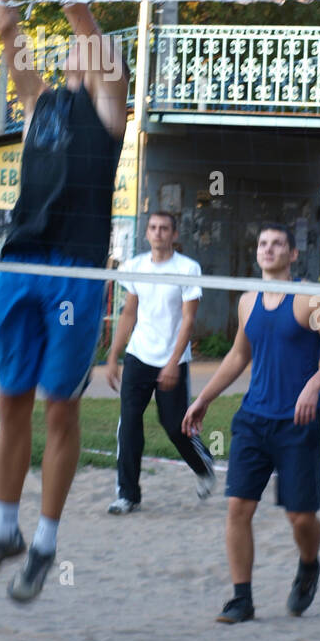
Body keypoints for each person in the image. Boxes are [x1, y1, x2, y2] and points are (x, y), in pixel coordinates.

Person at [0, 0, 128, 603]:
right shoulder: (38, 102)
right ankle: (4, 529)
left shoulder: (107, 100)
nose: (72, 45)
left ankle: (47, 540)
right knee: (11, 401)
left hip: (76, 269)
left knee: (62, 408)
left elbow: (77, 11)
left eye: (81, 43)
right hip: (20, 261)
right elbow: (5, 22)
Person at [182, 223, 320, 624]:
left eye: (277, 244)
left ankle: (309, 565)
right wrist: (204, 397)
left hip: (298, 422)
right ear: (256, 252)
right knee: (238, 507)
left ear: (293, 255)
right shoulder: (247, 301)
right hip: (253, 420)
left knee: (301, 517)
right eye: (262, 243)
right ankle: (242, 599)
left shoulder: (311, 298)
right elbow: (239, 356)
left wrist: (313, 386)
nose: (268, 249)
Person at [105, 211, 215, 512]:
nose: (158, 233)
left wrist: (172, 362)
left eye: (164, 228)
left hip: (172, 359)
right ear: (147, 233)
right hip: (138, 355)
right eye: (153, 228)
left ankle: (204, 465)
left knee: (174, 425)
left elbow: (189, 319)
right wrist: (113, 355)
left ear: (174, 234)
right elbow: (129, 312)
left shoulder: (188, 268)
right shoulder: (135, 266)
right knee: (128, 424)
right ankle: (127, 495)